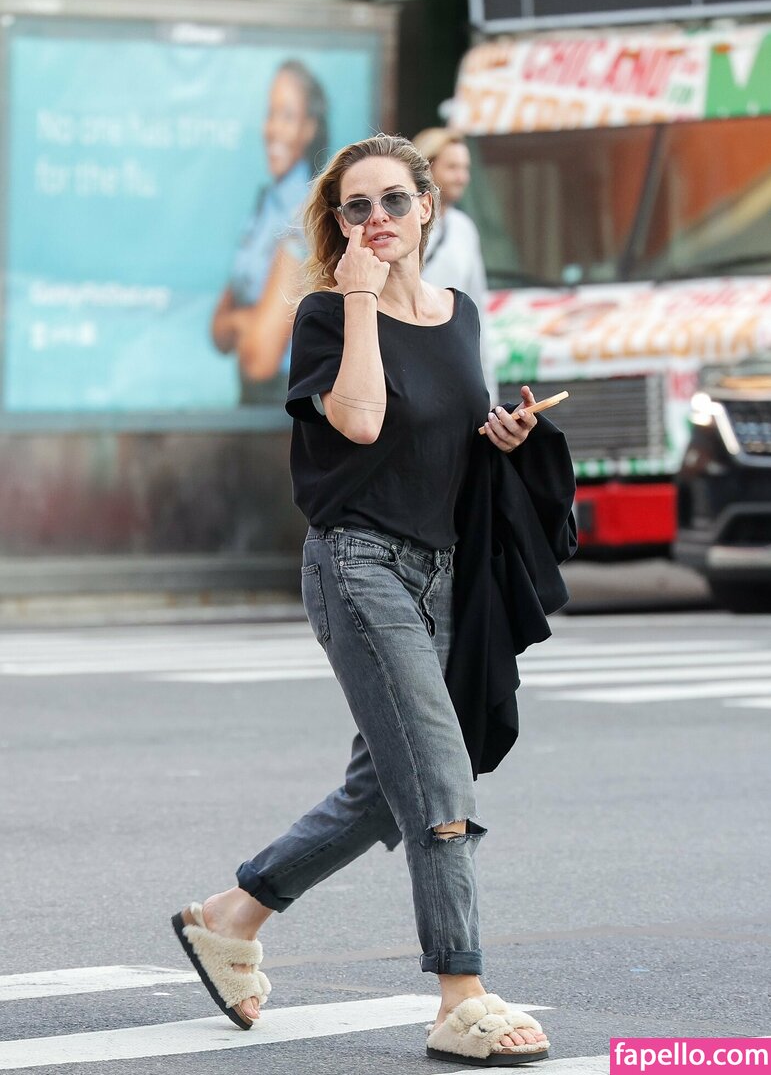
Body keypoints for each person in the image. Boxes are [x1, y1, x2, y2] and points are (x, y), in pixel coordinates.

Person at [173, 133, 565, 1067]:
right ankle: (460, 996)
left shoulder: (460, 314)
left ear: (428, 206)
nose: (378, 219)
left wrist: (500, 438)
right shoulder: (323, 314)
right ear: (339, 221)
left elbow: (436, 438)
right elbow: (359, 421)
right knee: (438, 778)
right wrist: (357, 297)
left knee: (383, 791)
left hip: (444, 571)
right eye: (358, 206)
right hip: (358, 565)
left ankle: (232, 916)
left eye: (394, 200)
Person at [211, 60, 328, 405]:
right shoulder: (265, 204)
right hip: (250, 403)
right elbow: (216, 332)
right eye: (270, 114)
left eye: (287, 116)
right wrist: (245, 323)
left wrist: (239, 324)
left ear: (309, 129)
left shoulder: (303, 215)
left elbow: (260, 358)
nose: (273, 129)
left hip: (284, 405)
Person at [412, 126, 496, 401]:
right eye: (452, 167)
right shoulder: (400, 226)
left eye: (465, 168)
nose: (462, 177)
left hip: (452, 362)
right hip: (411, 361)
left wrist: (488, 393)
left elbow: (477, 310)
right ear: (427, 168)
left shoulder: (464, 229)